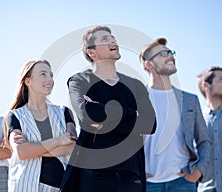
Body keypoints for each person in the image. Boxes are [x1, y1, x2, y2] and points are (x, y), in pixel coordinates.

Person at [61, 25, 156, 192]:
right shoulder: (80, 81)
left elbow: (150, 124)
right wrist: (131, 113)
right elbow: (85, 116)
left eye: (113, 38)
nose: (113, 41)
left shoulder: (136, 85)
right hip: (93, 174)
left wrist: (104, 118)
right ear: (92, 52)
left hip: (131, 175)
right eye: (105, 39)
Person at [139, 37, 212, 192]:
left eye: (170, 53)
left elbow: (204, 141)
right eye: (163, 54)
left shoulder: (189, 100)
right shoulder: (135, 100)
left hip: (183, 182)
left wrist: (198, 172)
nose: (170, 56)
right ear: (149, 64)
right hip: (147, 184)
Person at [4, 60, 77, 192]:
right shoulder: (14, 116)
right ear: (28, 81)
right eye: (43, 74)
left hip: (61, 187)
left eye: (51, 75)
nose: (49, 79)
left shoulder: (64, 112)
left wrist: (33, 148)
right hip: (24, 186)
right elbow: (22, 152)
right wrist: (58, 141)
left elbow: (71, 148)